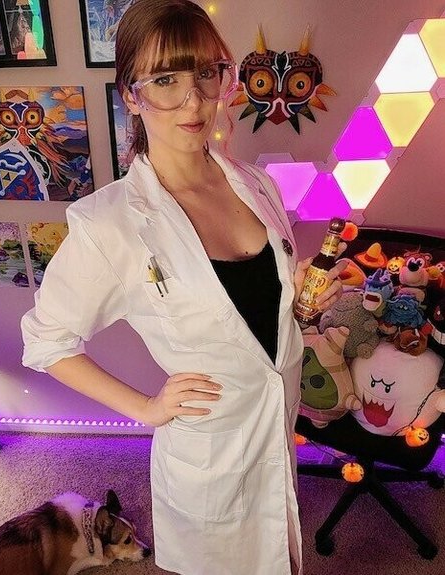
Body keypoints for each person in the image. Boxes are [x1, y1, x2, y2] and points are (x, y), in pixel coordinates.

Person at [21, 2, 346, 574]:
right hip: (209, 454)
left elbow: (245, 313)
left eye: (205, 73)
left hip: (275, 428)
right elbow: (46, 343)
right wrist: (145, 408)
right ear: (131, 94)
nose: (194, 101)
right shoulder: (108, 224)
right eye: (166, 80)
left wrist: (297, 293)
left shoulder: (256, 184)